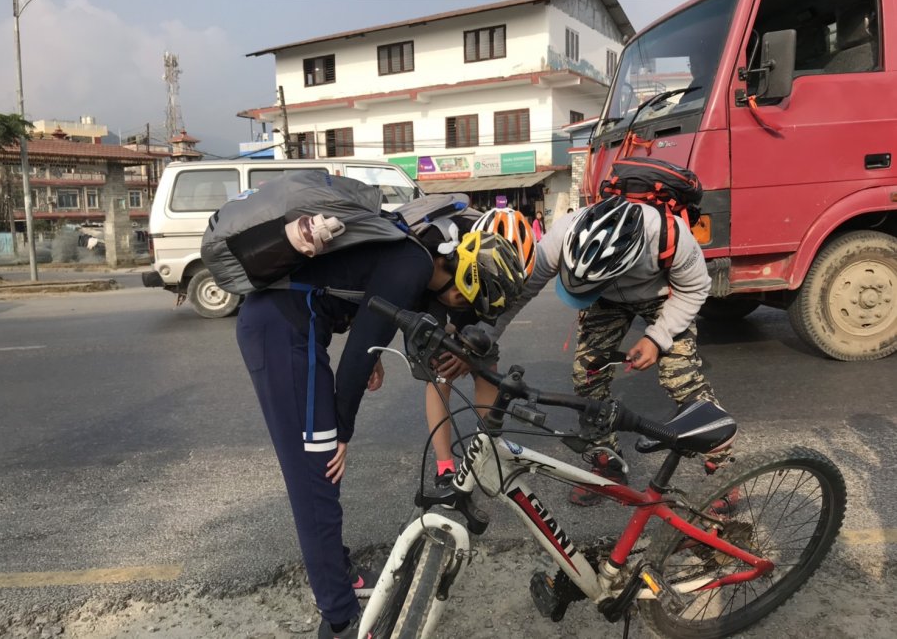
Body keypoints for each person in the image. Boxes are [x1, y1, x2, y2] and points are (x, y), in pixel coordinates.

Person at [235, 225, 524, 639]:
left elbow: (365, 310)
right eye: (464, 302)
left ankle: (340, 574)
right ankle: (339, 620)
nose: (458, 311)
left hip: (288, 326)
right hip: (282, 332)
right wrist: (342, 432)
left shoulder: (412, 259)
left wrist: (374, 357)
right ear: (461, 281)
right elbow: (356, 357)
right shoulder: (412, 266)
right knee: (317, 476)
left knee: (321, 473)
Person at [482, 195, 720, 507]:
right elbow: (521, 293)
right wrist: (485, 338)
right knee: (586, 377)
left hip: (663, 295)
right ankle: (607, 464)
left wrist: (656, 338)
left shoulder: (670, 237)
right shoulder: (561, 236)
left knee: (682, 379)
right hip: (604, 298)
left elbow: (696, 288)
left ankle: (723, 469)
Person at [424, 209, 536, 488]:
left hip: (479, 297)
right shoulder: (434, 248)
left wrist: (473, 350)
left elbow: (498, 315)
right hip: (441, 293)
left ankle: (486, 453)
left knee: (486, 367)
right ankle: (444, 467)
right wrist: (447, 336)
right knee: (441, 371)